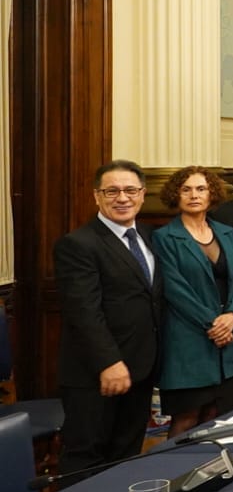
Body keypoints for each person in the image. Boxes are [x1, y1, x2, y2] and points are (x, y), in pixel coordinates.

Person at [54, 160, 163, 474]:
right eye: (112, 191)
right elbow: (83, 311)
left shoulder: (148, 235)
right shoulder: (78, 244)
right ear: (96, 197)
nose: (122, 198)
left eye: (130, 190)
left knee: (125, 457)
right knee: (85, 459)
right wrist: (108, 363)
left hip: (141, 368)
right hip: (97, 375)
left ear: (142, 194)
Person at [151, 166, 233, 439]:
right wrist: (214, 325)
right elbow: (175, 289)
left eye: (201, 189)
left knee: (219, 419)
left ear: (211, 194)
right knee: (187, 419)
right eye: (186, 190)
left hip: (230, 345)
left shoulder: (227, 232)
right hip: (190, 343)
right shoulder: (164, 237)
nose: (194, 195)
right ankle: (168, 474)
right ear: (176, 195)